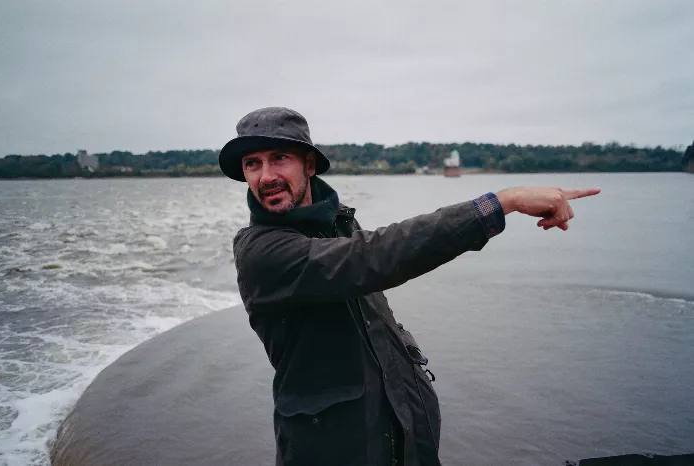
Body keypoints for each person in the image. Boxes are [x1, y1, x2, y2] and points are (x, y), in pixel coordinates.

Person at [220, 107, 600, 466]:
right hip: (333, 449)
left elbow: (374, 310)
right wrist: (503, 202)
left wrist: (417, 392)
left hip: (401, 430)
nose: (265, 175)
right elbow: (380, 255)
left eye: (278, 158)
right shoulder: (263, 253)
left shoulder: (336, 225)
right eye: (252, 164)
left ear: (309, 164)